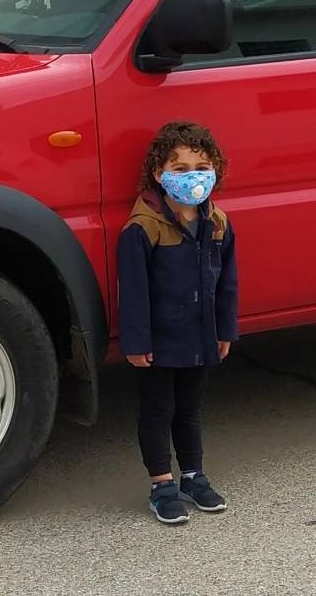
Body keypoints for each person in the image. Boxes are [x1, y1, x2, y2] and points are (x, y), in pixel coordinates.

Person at [116, 121, 239, 525]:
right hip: (158, 341)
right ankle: (161, 484)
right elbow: (132, 291)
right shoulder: (142, 227)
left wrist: (224, 330)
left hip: (200, 336)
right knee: (157, 410)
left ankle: (193, 476)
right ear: (159, 173)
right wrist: (136, 343)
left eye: (201, 167)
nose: (192, 177)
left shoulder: (218, 222)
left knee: (189, 409)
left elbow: (228, 283)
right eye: (181, 169)